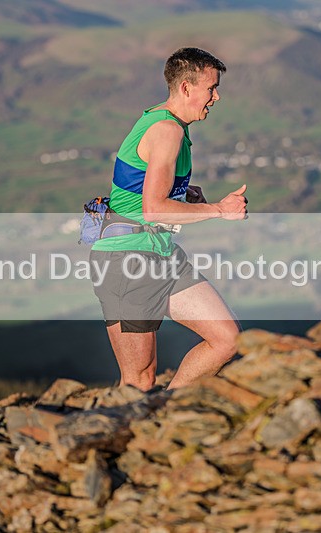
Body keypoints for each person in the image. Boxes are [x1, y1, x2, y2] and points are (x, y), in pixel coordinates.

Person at [90, 47, 248, 391]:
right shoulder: (167, 131)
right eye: (211, 88)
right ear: (187, 88)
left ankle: (167, 408)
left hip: (160, 254)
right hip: (127, 259)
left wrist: (185, 195)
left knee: (227, 339)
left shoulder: (168, 123)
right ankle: (131, 436)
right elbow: (154, 210)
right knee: (140, 379)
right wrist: (220, 210)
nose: (216, 97)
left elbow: (144, 191)